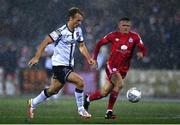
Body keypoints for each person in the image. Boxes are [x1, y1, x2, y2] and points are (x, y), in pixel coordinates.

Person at [27, 7, 94, 119]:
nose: (80, 23)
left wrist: (88, 58)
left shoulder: (78, 30)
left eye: (81, 20)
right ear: (70, 18)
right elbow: (45, 41)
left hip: (69, 66)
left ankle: (32, 103)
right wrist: (37, 57)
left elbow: (81, 46)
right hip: (59, 65)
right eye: (78, 20)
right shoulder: (61, 31)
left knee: (54, 90)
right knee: (80, 82)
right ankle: (81, 110)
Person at [84, 17, 147, 119]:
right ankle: (109, 112)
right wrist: (94, 59)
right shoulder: (113, 35)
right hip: (111, 66)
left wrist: (141, 52)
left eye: (127, 25)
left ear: (130, 26)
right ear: (119, 26)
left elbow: (142, 47)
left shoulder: (135, 37)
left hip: (123, 69)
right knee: (120, 84)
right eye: (123, 25)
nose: (126, 27)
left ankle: (87, 99)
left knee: (104, 92)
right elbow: (99, 44)